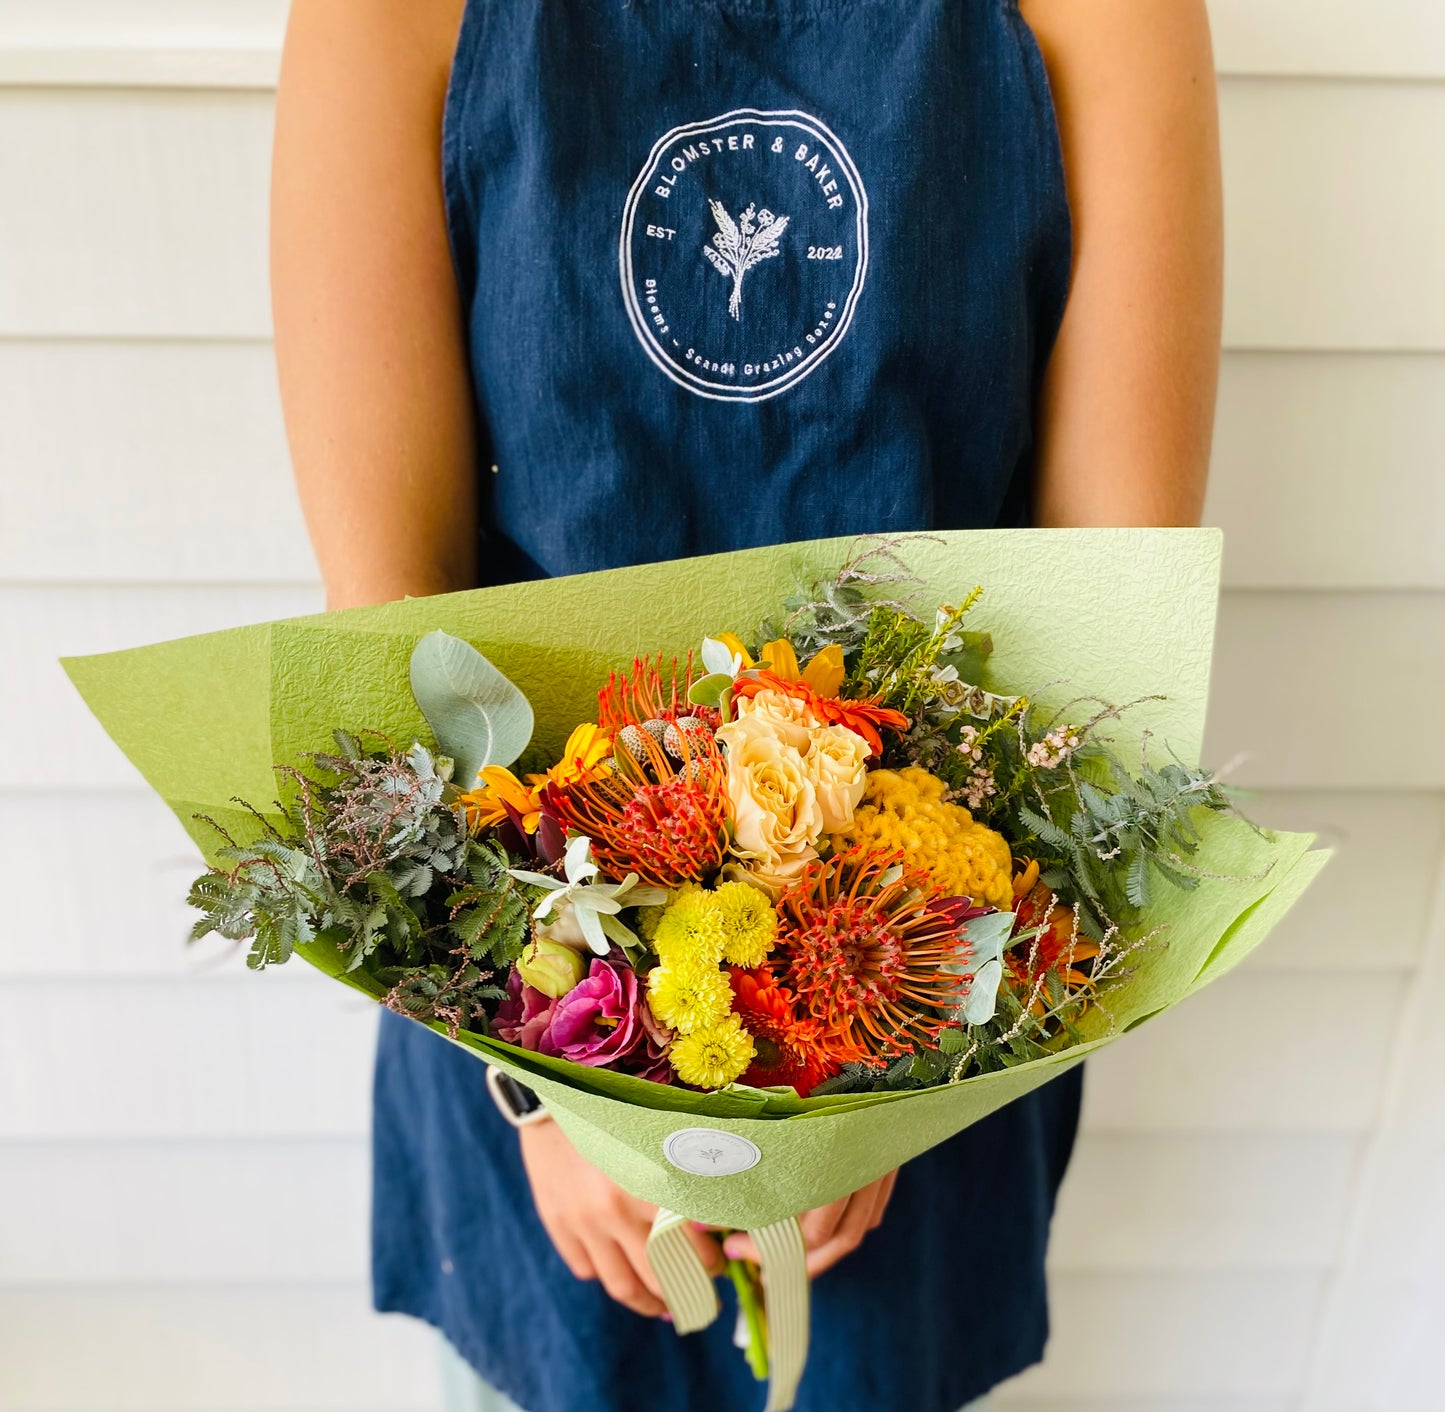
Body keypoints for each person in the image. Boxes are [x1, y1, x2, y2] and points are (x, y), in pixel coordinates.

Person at [269, 1, 1222, 1408]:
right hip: (518, 964)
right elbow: (391, 619)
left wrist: (901, 1067)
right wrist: (543, 1074)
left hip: (939, 979)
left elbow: (1102, 623)